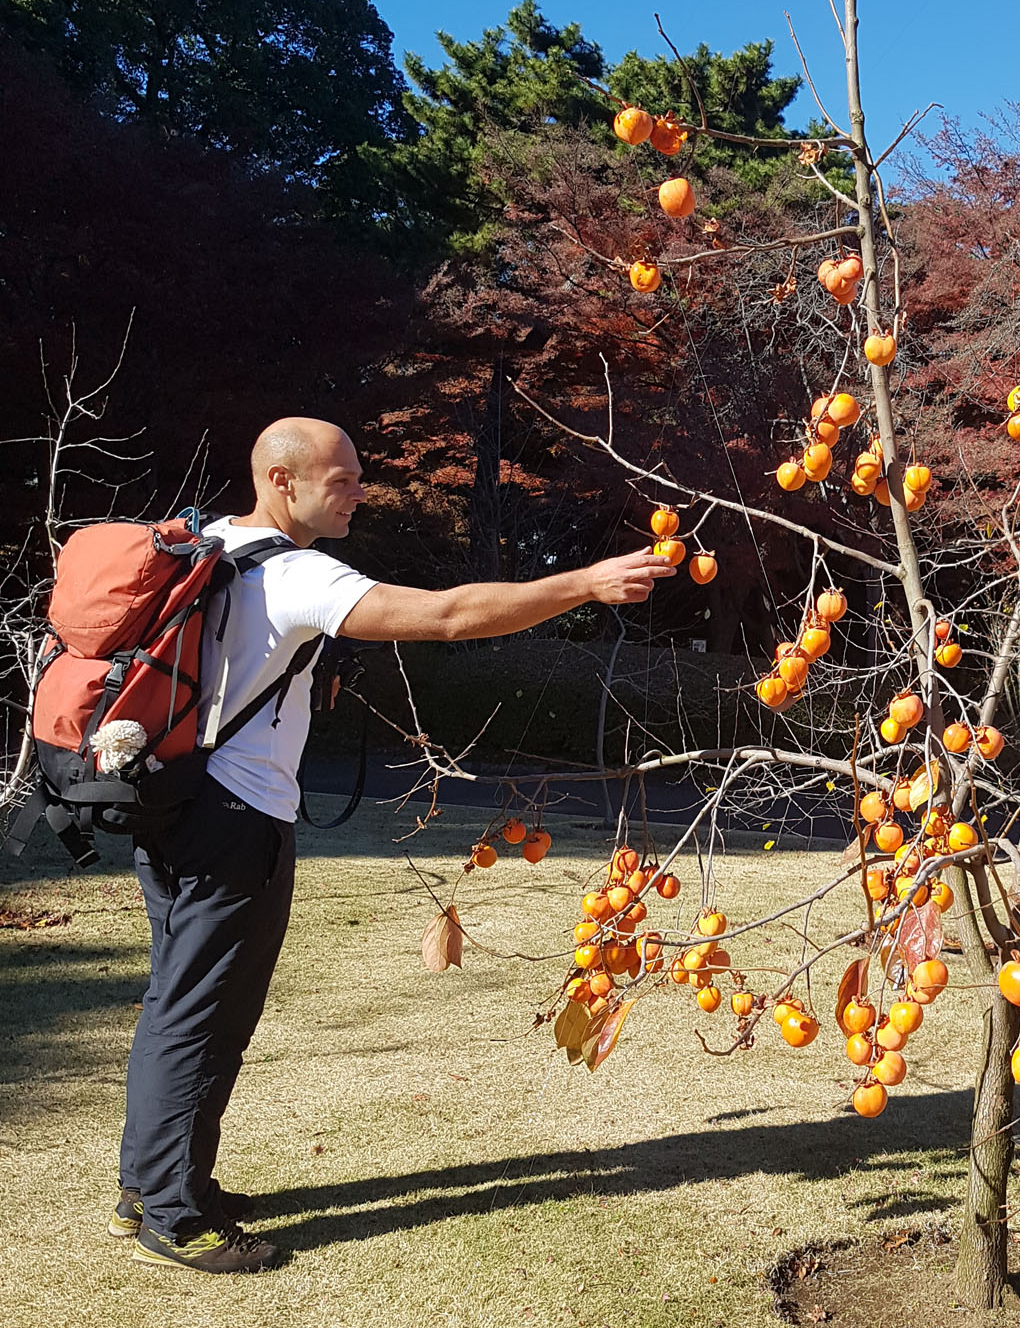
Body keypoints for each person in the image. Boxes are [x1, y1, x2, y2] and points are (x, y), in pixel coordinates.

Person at [114, 416, 672, 1274]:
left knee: (181, 1000)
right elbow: (447, 617)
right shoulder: (297, 572)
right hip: (233, 823)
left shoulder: (209, 545)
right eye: (340, 480)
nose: (359, 492)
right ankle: (170, 1211)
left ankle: (161, 1180)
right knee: (202, 1011)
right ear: (279, 480)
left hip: (176, 804)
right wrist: (587, 583)